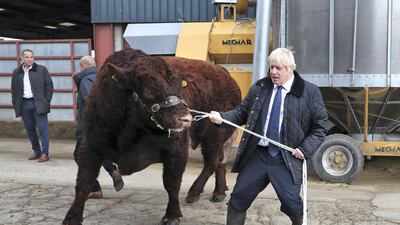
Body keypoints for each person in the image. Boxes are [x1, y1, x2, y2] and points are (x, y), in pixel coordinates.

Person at [208, 48, 328, 225]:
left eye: (278, 68)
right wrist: (221, 118)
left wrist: (305, 149)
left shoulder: (309, 92)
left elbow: (320, 128)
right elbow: (241, 113)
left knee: (291, 204)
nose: (273, 72)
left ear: (291, 69)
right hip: (259, 155)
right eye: (271, 67)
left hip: (287, 158)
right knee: (238, 198)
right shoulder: (260, 87)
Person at [73, 56, 124, 199]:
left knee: (79, 156)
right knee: (98, 153)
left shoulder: (86, 80)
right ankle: (112, 170)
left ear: (83, 67)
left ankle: (95, 189)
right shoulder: (105, 78)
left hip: (90, 126)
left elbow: (90, 101)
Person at [11, 49, 53, 162]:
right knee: (30, 129)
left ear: (34, 58)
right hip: (24, 104)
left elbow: (49, 86)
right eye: (27, 57)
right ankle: (37, 151)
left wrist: (46, 101)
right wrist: (16, 105)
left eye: (31, 57)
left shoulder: (41, 70)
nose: (29, 59)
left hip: (39, 103)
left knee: (43, 129)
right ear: (22, 58)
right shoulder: (17, 72)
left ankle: (45, 153)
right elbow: (14, 90)